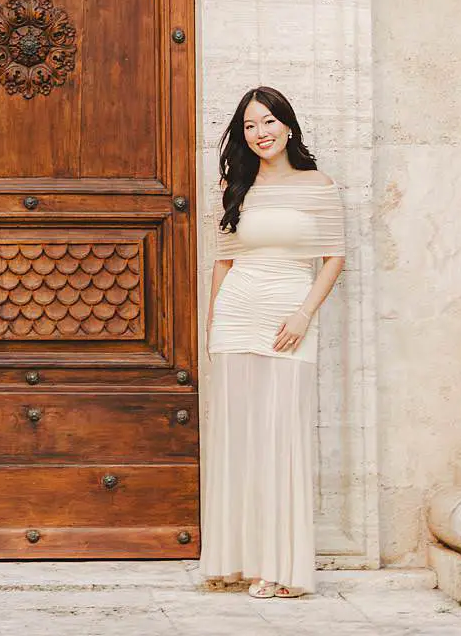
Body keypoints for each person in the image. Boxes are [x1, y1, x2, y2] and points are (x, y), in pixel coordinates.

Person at [200, 85, 345, 599]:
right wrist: (214, 324)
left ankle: (283, 568)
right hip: (239, 313)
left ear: (287, 125)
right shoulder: (235, 186)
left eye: (267, 122)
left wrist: (305, 313)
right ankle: (236, 561)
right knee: (239, 439)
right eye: (248, 126)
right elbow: (224, 260)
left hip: (289, 316)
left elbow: (334, 257)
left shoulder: (318, 186)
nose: (259, 134)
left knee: (281, 438)